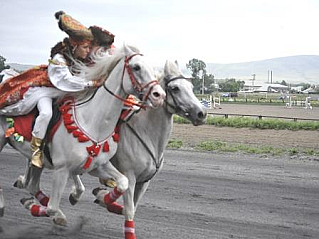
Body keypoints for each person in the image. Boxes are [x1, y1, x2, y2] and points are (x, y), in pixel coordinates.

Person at [0, 11, 102, 168]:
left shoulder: (78, 60)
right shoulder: (59, 60)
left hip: (64, 95)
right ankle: (36, 150)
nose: (88, 51)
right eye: (85, 47)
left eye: (89, 48)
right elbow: (65, 81)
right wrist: (91, 83)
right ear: (75, 46)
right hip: (45, 92)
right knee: (46, 113)